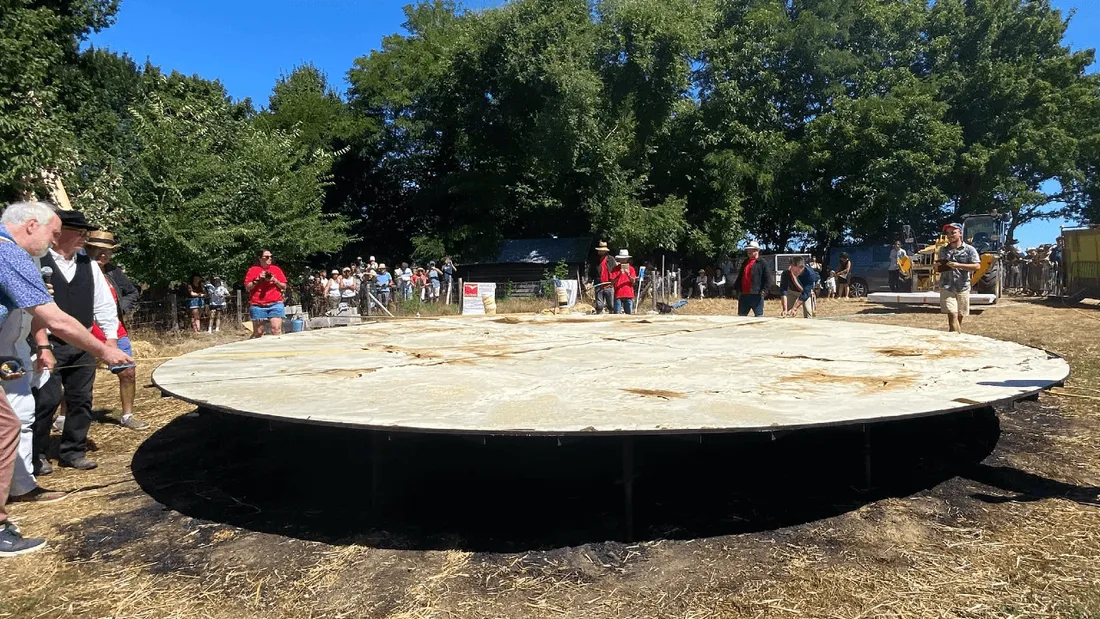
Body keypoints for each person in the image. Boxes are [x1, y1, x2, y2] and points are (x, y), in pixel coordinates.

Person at [0, 202, 131, 555]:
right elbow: (52, 318)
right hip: (46, 346)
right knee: (10, 425)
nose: (54, 240)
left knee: (13, 422)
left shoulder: (76, 265)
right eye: (53, 233)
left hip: (10, 353)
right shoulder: (7, 252)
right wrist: (105, 350)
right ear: (31, 225)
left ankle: (19, 490)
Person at [32, 208, 129, 472]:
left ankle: (73, 451)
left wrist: (110, 340)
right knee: (47, 400)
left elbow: (105, 304)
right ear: (60, 232)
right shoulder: (39, 262)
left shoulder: (88, 265)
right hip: (48, 343)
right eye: (79, 232)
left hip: (82, 342)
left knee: (81, 399)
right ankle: (36, 454)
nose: (84, 238)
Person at [84, 232, 148, 431]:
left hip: (114, 329)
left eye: (108, 252)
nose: (104, 255)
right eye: (99, 251)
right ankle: (64, 417)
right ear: (89, 249)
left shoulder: (113, 272)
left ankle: (127, 415)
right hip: (84, 330)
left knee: (128, 371)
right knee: (78, 377)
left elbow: (132, 292)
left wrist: (120, 308)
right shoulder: (79, 270)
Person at [938, 223, 981, 333]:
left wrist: (958, 265)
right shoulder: (943, 250)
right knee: (952, 315)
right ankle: (957, 339)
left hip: (963, 286)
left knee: (960, 316)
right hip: (946, 286)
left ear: (960, 233)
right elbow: (940, 266)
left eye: (953, 232)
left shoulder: (969, 249)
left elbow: (977, 266)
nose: (950, 235)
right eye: (948, 233)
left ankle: (954, 337)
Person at [244, 249, 288, 338]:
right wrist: (257, 279)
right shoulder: (253, 270)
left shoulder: (276, 270)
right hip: (257, 304)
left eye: (271, 257)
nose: (270, 259)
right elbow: (247, 287)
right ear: (260, 258)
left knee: (276, 329)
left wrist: (275, 280)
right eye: (267, 257)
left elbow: (284, 286)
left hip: (275, 303)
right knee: (259, 332)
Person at [732, 241, 774, 317]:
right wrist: (735, 288)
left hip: (756, 295)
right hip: (744, 295)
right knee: (741, 316)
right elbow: (741, 276)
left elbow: (768, 278)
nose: (749, 252)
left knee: (758, 317)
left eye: (751, 250)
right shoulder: (745, 261)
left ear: (756, 250)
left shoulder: (762, 263)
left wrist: (764, 290)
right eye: (748, 250)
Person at [609, 249, 638, 314]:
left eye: (625, 259)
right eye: (622, 259)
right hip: (618, 294)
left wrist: (628, 275)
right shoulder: (615, 269)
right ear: (619, 259)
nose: (623, 260)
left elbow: (633, 282)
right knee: (617, 314)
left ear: (627, 259)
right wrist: (619, 275)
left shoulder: (631, 269)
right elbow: (612, 282)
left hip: (628, 294)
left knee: (629, 314)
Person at [592, 241, 614, 314]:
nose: (600, 252)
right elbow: (591, 272)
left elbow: (615, 271)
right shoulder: (595, 260)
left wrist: (613, 280)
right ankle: (599, 314)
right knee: (600, 305)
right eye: (599, 251)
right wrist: (590, 281)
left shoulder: (611, 259)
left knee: (611, 305)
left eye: (602, 251)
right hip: (599, 284)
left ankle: (611, 315)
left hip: (609, 284)